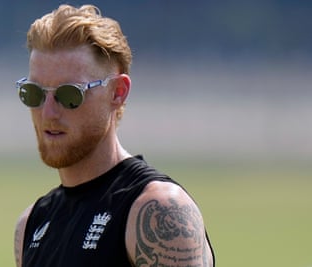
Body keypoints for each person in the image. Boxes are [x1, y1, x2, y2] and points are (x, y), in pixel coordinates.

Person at [14, 4, 215, 267]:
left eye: (69, 95)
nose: (48, 112)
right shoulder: (31, 224)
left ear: (117, 92)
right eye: (34, 93)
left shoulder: (158, 210)